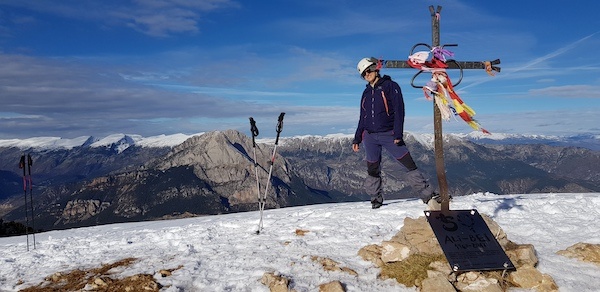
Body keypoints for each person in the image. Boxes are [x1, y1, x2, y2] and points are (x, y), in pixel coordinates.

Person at [352, 57, 439, 209]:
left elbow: (399, 111)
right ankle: (375, 199)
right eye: (364, 74)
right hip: (370, 136)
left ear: (376, 69)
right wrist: (357, 138)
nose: (367, 74)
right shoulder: (366, 93)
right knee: (373, 168)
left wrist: (398, 134)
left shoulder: (391, 86)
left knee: (408, 164)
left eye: (369, 70)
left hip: (389, 134)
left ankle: (428, 195)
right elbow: (362, 117)